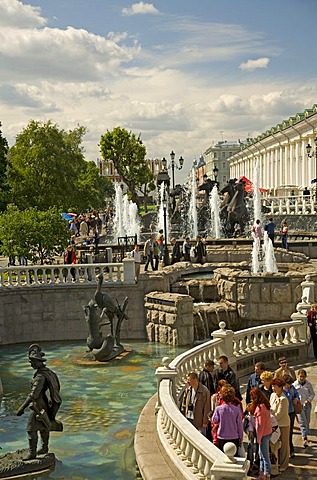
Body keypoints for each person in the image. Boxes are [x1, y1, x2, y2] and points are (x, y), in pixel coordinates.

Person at [16, 344, 62, 460]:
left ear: (39, 361)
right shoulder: (48, 372)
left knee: (31, 429)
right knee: (43, 426)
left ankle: (32, 453)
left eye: (32, 362)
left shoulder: (40, 377)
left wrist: (21, 408)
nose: (31, 364)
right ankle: (44, 447)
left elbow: (33, 395)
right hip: (44, 404)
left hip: (37, 405)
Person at [247, 387, 272, 480]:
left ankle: (267, 474)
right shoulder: (264, 405)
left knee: (264, 455)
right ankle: (262, 474)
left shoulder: (261, 408)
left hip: (263, 434)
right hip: (266, 432)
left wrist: (259, 438)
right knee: (261, 454)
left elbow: (260, 425)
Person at [211, 385, 243, 452]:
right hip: (234, 436)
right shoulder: (236, 410)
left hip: (221, 437)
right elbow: (239, 425)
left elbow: (214, 420)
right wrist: (241, 437)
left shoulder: (219, 409)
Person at [270, 377, 290, 473]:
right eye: (272, 386)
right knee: (275, 444)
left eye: (275, 387)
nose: (273, 388)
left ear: (281, 387)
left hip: (283, 424)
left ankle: (284, 464)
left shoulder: (283, 399)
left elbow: (280, 414)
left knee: (284, 445)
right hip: (274, 424)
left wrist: (270, 420)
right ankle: (276, 464)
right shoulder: (273, 395)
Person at [293, 369, 315, 448]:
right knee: (302, 421)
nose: (301, 378)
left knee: (307, 420)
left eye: (303, 376)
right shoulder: (294, 385)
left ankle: (306, 433)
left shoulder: (308, 384)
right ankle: (304, 437)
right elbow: (293, 395)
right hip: (299, 405)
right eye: (300, 376)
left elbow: (312, 394)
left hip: (307, 405)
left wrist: (308, 400)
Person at [282, 374, 300, 458]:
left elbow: (297, 395)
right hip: (283, 413)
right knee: (284, 433)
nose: (289, 385)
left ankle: (291, 449)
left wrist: (296, 399)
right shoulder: (281, 390)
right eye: (288, 383)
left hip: (291, 412)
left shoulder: (292, 388)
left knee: (290, 432)